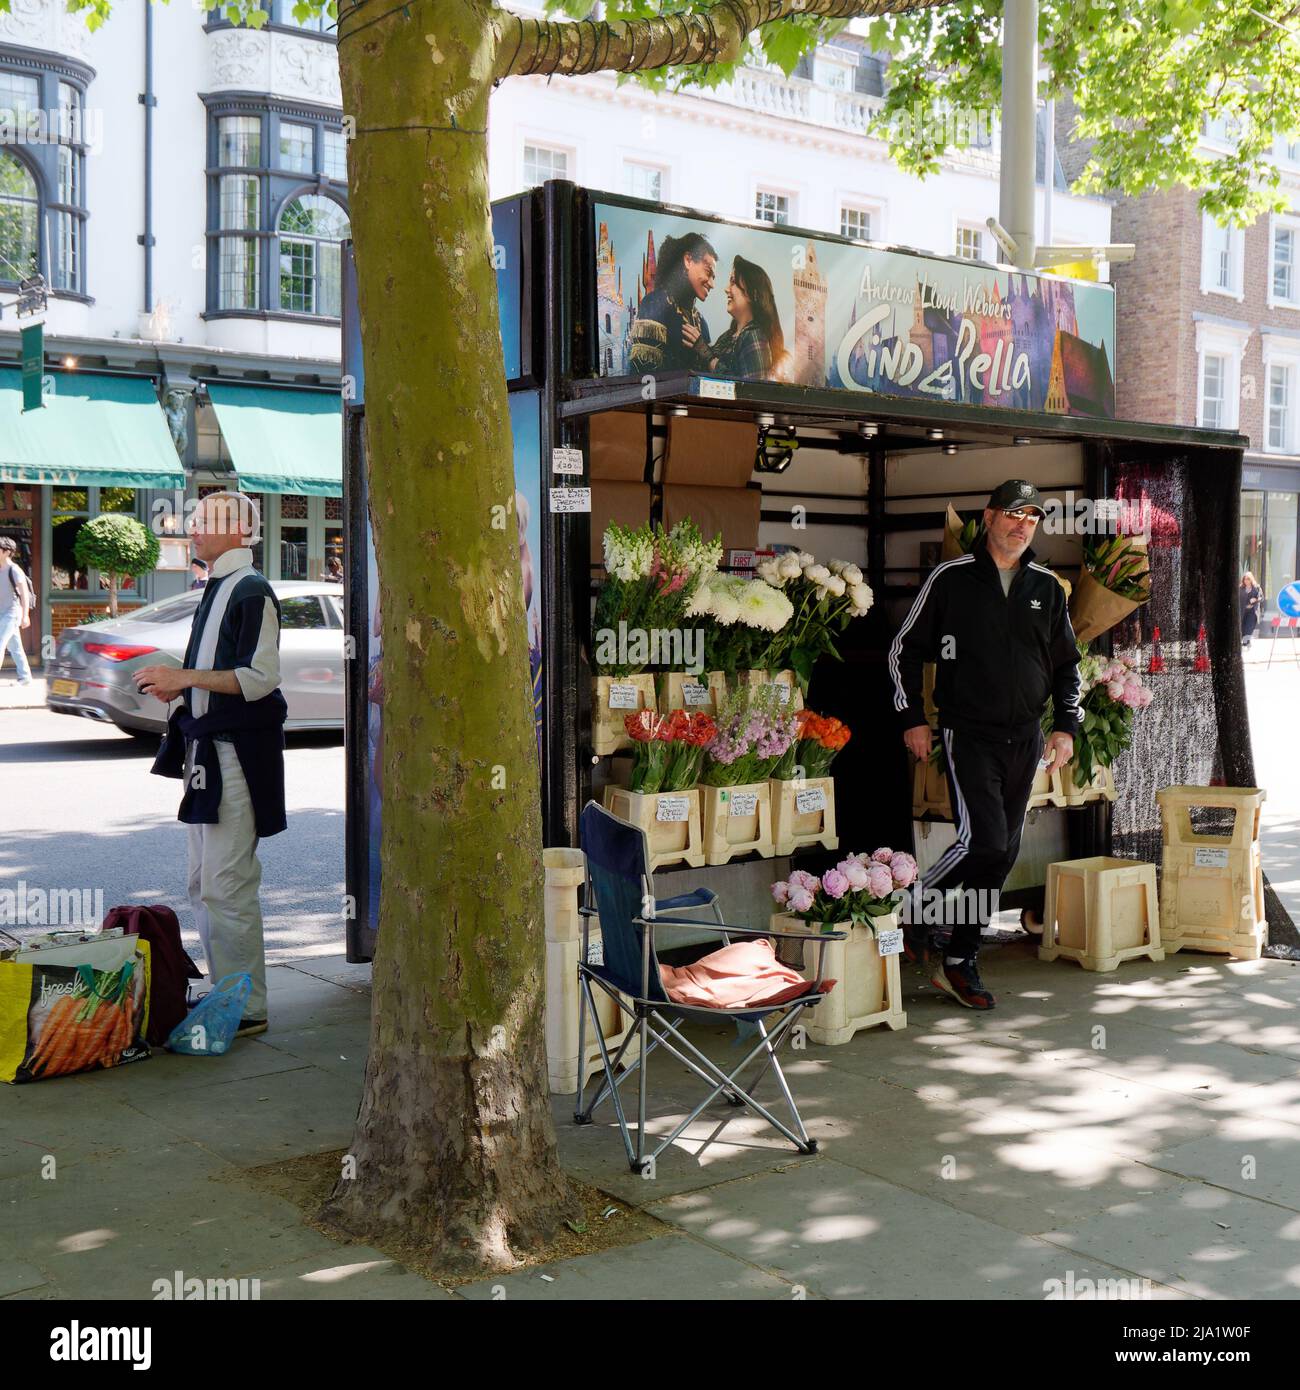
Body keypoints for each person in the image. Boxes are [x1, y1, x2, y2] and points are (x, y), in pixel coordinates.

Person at [889, 480, 1081, 1010]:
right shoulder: (951, 579)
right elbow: (903, 648)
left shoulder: (1046, 586)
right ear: (990, 517)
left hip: (1027, 736)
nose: (1023, 526)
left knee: (1004, 850)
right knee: (986, 844)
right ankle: (913, 910)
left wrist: (1066, 726)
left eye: (1033, 518)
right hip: (966, 732)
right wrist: (912, 716)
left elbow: (1068, 665)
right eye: (1014, 515)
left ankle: (957, 953)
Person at [133, 493, 287, 1039]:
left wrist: (183, 680)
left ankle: (245, 1005)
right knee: (205, 882)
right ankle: (232, 997)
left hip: (232, 754)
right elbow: (226, 673)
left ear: (240, 530)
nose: (192, 529)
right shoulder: (223, 586)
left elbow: (259, 678)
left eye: (203, 522)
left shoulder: (248, 590)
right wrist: (176, 681)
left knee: (225, 883)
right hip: (211, 751)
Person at [682, 255, 787, 380]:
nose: (726, 289)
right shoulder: (726, 338)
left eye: (733, 282)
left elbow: (750, 392)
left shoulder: (754, 336)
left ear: (752, 294)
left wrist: (706, 354)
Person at [627, 231, 716, 375]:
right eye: (708, 272)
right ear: (688, 260)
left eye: (714, 277)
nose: (712, 284)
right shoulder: (655, 304)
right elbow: (643, 377)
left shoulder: (702, 322)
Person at [0, 536, 34, 686]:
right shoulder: (0, 569)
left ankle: (25, 677)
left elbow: (24, 593)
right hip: (2, 612)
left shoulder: (15, 570)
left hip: (12, 613)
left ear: (7, 552)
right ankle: (25, 677)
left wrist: (25, 615)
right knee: (15, 647)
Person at [1240, 571, 1263, 647]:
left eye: (1248, 579)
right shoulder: (1240, 588)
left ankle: (1246, 642)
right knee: (1243, 627)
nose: (1246, 581)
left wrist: (1256, 600)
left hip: (1252, 611)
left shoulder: (1257, 588)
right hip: (1243, 611)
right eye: (1245, 579)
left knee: (1249, 627)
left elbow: (1261, 598)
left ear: (1251, 579)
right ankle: (1245, 641)